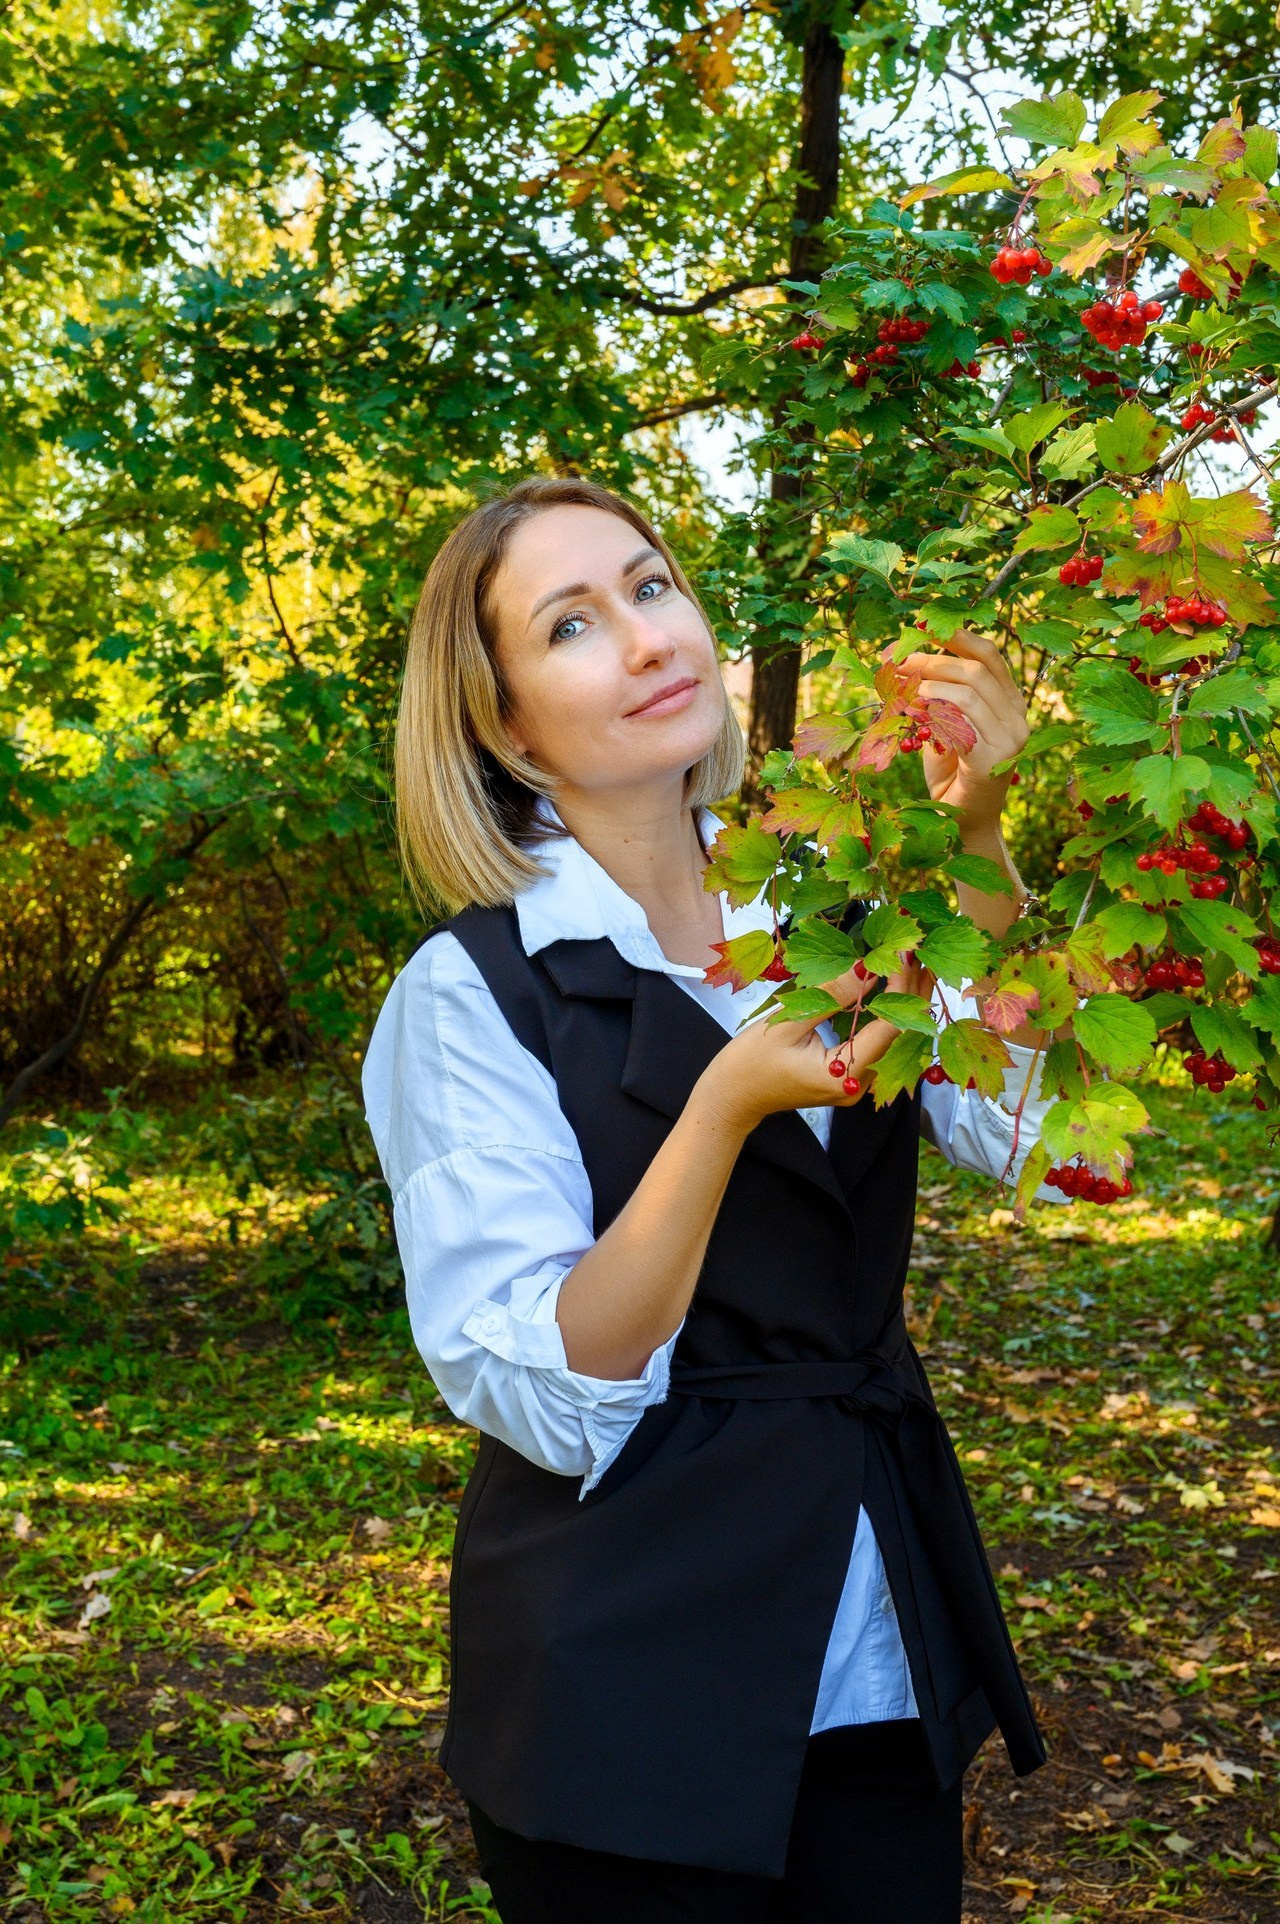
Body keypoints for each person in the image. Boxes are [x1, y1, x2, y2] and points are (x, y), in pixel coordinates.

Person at [361, 475, 1067, 1923]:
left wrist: (982, 827)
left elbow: (1010, 1125)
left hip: (867, 1624)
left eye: (651, 586)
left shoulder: (831, 896)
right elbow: (551, 1388)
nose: (643, 638)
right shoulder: (471, 993)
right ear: (504, 726)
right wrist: (723, 1105)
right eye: (571, 624)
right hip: (625, 1677)